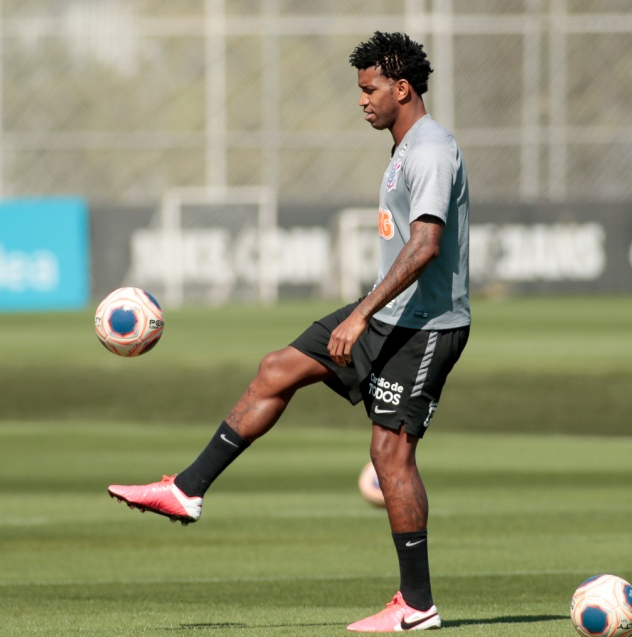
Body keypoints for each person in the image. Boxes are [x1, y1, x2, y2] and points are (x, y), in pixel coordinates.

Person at [108, 31, 470, 632]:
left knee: (390, 453)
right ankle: (188, 489)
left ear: (401, 88)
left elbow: (426, 245)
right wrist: (364, 313)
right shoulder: (404, 147)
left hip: (425, 325)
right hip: (386, 315)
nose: (362, 100)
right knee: (278, 367)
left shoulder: (431, 149)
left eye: (370, 88)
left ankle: (417, 604)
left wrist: (357, 316)